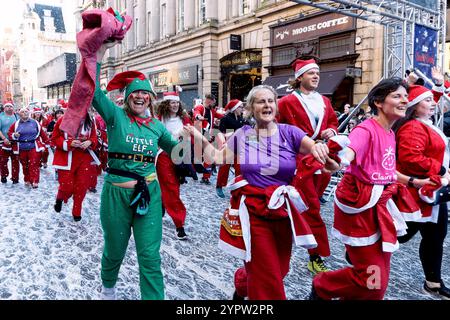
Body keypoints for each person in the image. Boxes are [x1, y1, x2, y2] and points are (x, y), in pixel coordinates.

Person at [185, 85, 336, 300]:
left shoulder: (290, 132)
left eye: (271, 101)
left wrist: (322, 150)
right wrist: (198, 136)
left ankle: (243, 282)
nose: (267, 105)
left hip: (282, 211)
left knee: (278, 270)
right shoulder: (243, 134)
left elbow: (320, 154)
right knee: (269, 278)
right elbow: (219, 158)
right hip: (253, 212)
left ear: (276, 105)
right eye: (261, 101)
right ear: (251, 108)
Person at [310, 78, 423, 300]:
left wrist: (412, 182)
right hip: (360, 207)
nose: (404, 101)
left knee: (377, 282)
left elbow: (385, 169)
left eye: (405, 96)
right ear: (379, 102)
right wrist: (338, 163)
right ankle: (323, 284)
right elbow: (350, 152)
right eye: (397, 96)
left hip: (381, 207)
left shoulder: (390, 132)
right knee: (373, 282)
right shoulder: (365, 129)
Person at [92, 41, 182, 300]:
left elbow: (178, 155)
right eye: (135, 93)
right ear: (127, 96)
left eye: (145, 93)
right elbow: (94, 93)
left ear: (151, 98)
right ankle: (108, 287)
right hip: (116, 196)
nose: (140, 96)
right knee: (115, 249)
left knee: (150, 256)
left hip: (149, 196)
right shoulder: (115, 116)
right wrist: (99, 55)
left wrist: (193, 139)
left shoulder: (157, 126)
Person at [277, 57, 338, 274]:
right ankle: (315, 255)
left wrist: (332, 130)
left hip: (321, 161)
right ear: (300, 77)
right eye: (311, 73)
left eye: (317, 73)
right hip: (299, 162)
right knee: (312, 209)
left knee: (309, 207)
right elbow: (276, 131)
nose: (316, 76)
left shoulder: (325, 101)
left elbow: (332, 121)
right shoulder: (285, 102)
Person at [393, 84, 450, 299]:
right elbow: (410, 158)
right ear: (415, 106)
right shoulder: (413, 127)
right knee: (403, 234)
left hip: (433, 190)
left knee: (436, 236)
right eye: (427, 101)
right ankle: (360, 254)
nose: (433, 103)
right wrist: (442, 169)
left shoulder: (423, 123)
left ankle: (433, 282)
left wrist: (437, 85)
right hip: (416, 193)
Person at [156, 91, 192, 240]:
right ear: (166, 104)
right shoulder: (160, 119)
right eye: (172, 102)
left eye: (177, 102)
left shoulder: (183, 118)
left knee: (173, 187)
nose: (175, 105)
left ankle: (163, 205)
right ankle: (179, 223)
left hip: (180, 157)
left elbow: (189, 137)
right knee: (172, 188)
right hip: (164, 156)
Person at [52, 113, 99, 221]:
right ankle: (60, 197)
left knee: (82, 186)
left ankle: (76, 211)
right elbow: (54, 138)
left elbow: (94, 138)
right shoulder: (62, 120)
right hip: (66, 157)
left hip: (85, 157)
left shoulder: (90, 121)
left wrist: (90, 141)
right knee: (67, 186)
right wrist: (69, 143)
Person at [215, 99, 246, 198]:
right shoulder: (226, 118)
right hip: (228, 145)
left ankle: (238, 187)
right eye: (240, 107)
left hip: (240, 146)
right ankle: (219, 186)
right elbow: (220, 132)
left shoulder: (243, 119)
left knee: (239, 168)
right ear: (235, 108)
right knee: (224, 167)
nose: (242, 109)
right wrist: (229, 135)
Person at [192, 93, 223, 184]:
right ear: (210, 101)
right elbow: (196, 112)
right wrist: (198, 117)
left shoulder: (212, 110)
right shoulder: (201, 107)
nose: (215, 104)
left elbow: (219, 115)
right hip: (199, 136)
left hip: (208, 137)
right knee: (197, 157)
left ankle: (206, 177)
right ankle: (192, 171)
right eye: (214, 102)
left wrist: (228, 115)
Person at [0, 101, 19, 184]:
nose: (9, 108)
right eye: (7, 106)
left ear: (13, 108)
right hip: (3, 142)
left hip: (15, 142)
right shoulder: (1, 116)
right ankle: (4, 175)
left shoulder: (17, 116)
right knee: (3, 161)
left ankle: (15, 178)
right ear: (4, 108)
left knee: (15, 161)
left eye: (10, 106)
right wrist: (4, 138)